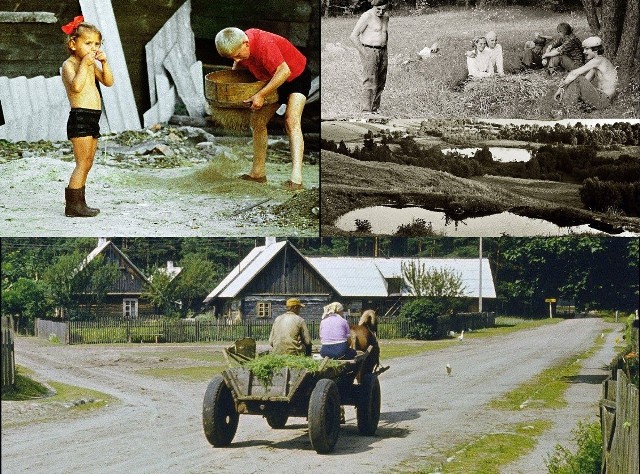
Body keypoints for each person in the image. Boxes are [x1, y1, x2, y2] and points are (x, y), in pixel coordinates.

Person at [215, 27, 311, 191]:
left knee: (291, 120)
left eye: (238, 55)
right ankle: (257, 173)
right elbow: (238, 66)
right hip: (271, 80)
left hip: (296, 76)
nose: (237, 60)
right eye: (233, 58)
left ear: (246, 43)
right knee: (257, 121)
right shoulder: (239, 45)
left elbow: (284, 71)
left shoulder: (263, 43)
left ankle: (296, 179)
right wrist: (234, 84)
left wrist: (260, 95)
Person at [60, 16, 113, 217]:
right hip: (80, 117)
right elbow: (76, 86)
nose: (93, 48)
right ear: (73, 44)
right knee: (82, 162)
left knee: (89, 161)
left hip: (93, 118)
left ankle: (80, 202)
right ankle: (72, 206)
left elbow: (108, 82)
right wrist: (85, 65)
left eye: (97, 44)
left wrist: (104, 63)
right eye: (88, 43)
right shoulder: (70, 65)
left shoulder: (90, 64)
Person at [553, 36, 618, 110]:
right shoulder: (599, 63)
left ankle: (566, 108)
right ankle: (566, 104)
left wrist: (561, 86)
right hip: (602, 97)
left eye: (587, 49)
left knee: (577, 78)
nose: (584, 52)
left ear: (595, 50)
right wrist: (565, 87)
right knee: (575, 80)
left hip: (604, 100)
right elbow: (585, 80)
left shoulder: (598, 60)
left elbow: (575, 74)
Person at [350, 0, 390, 114]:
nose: (381, 12)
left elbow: (385, 33)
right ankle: (366, 111)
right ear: (373, 6)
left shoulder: (386, 16)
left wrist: (384, 47)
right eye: (378, 9)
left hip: (383, 50)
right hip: (369, 50)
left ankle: (375, 109)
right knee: (370, 81)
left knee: (381, 80)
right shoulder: (367, 16)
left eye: (384, 9)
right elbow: (353, 36)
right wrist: (364, 53)